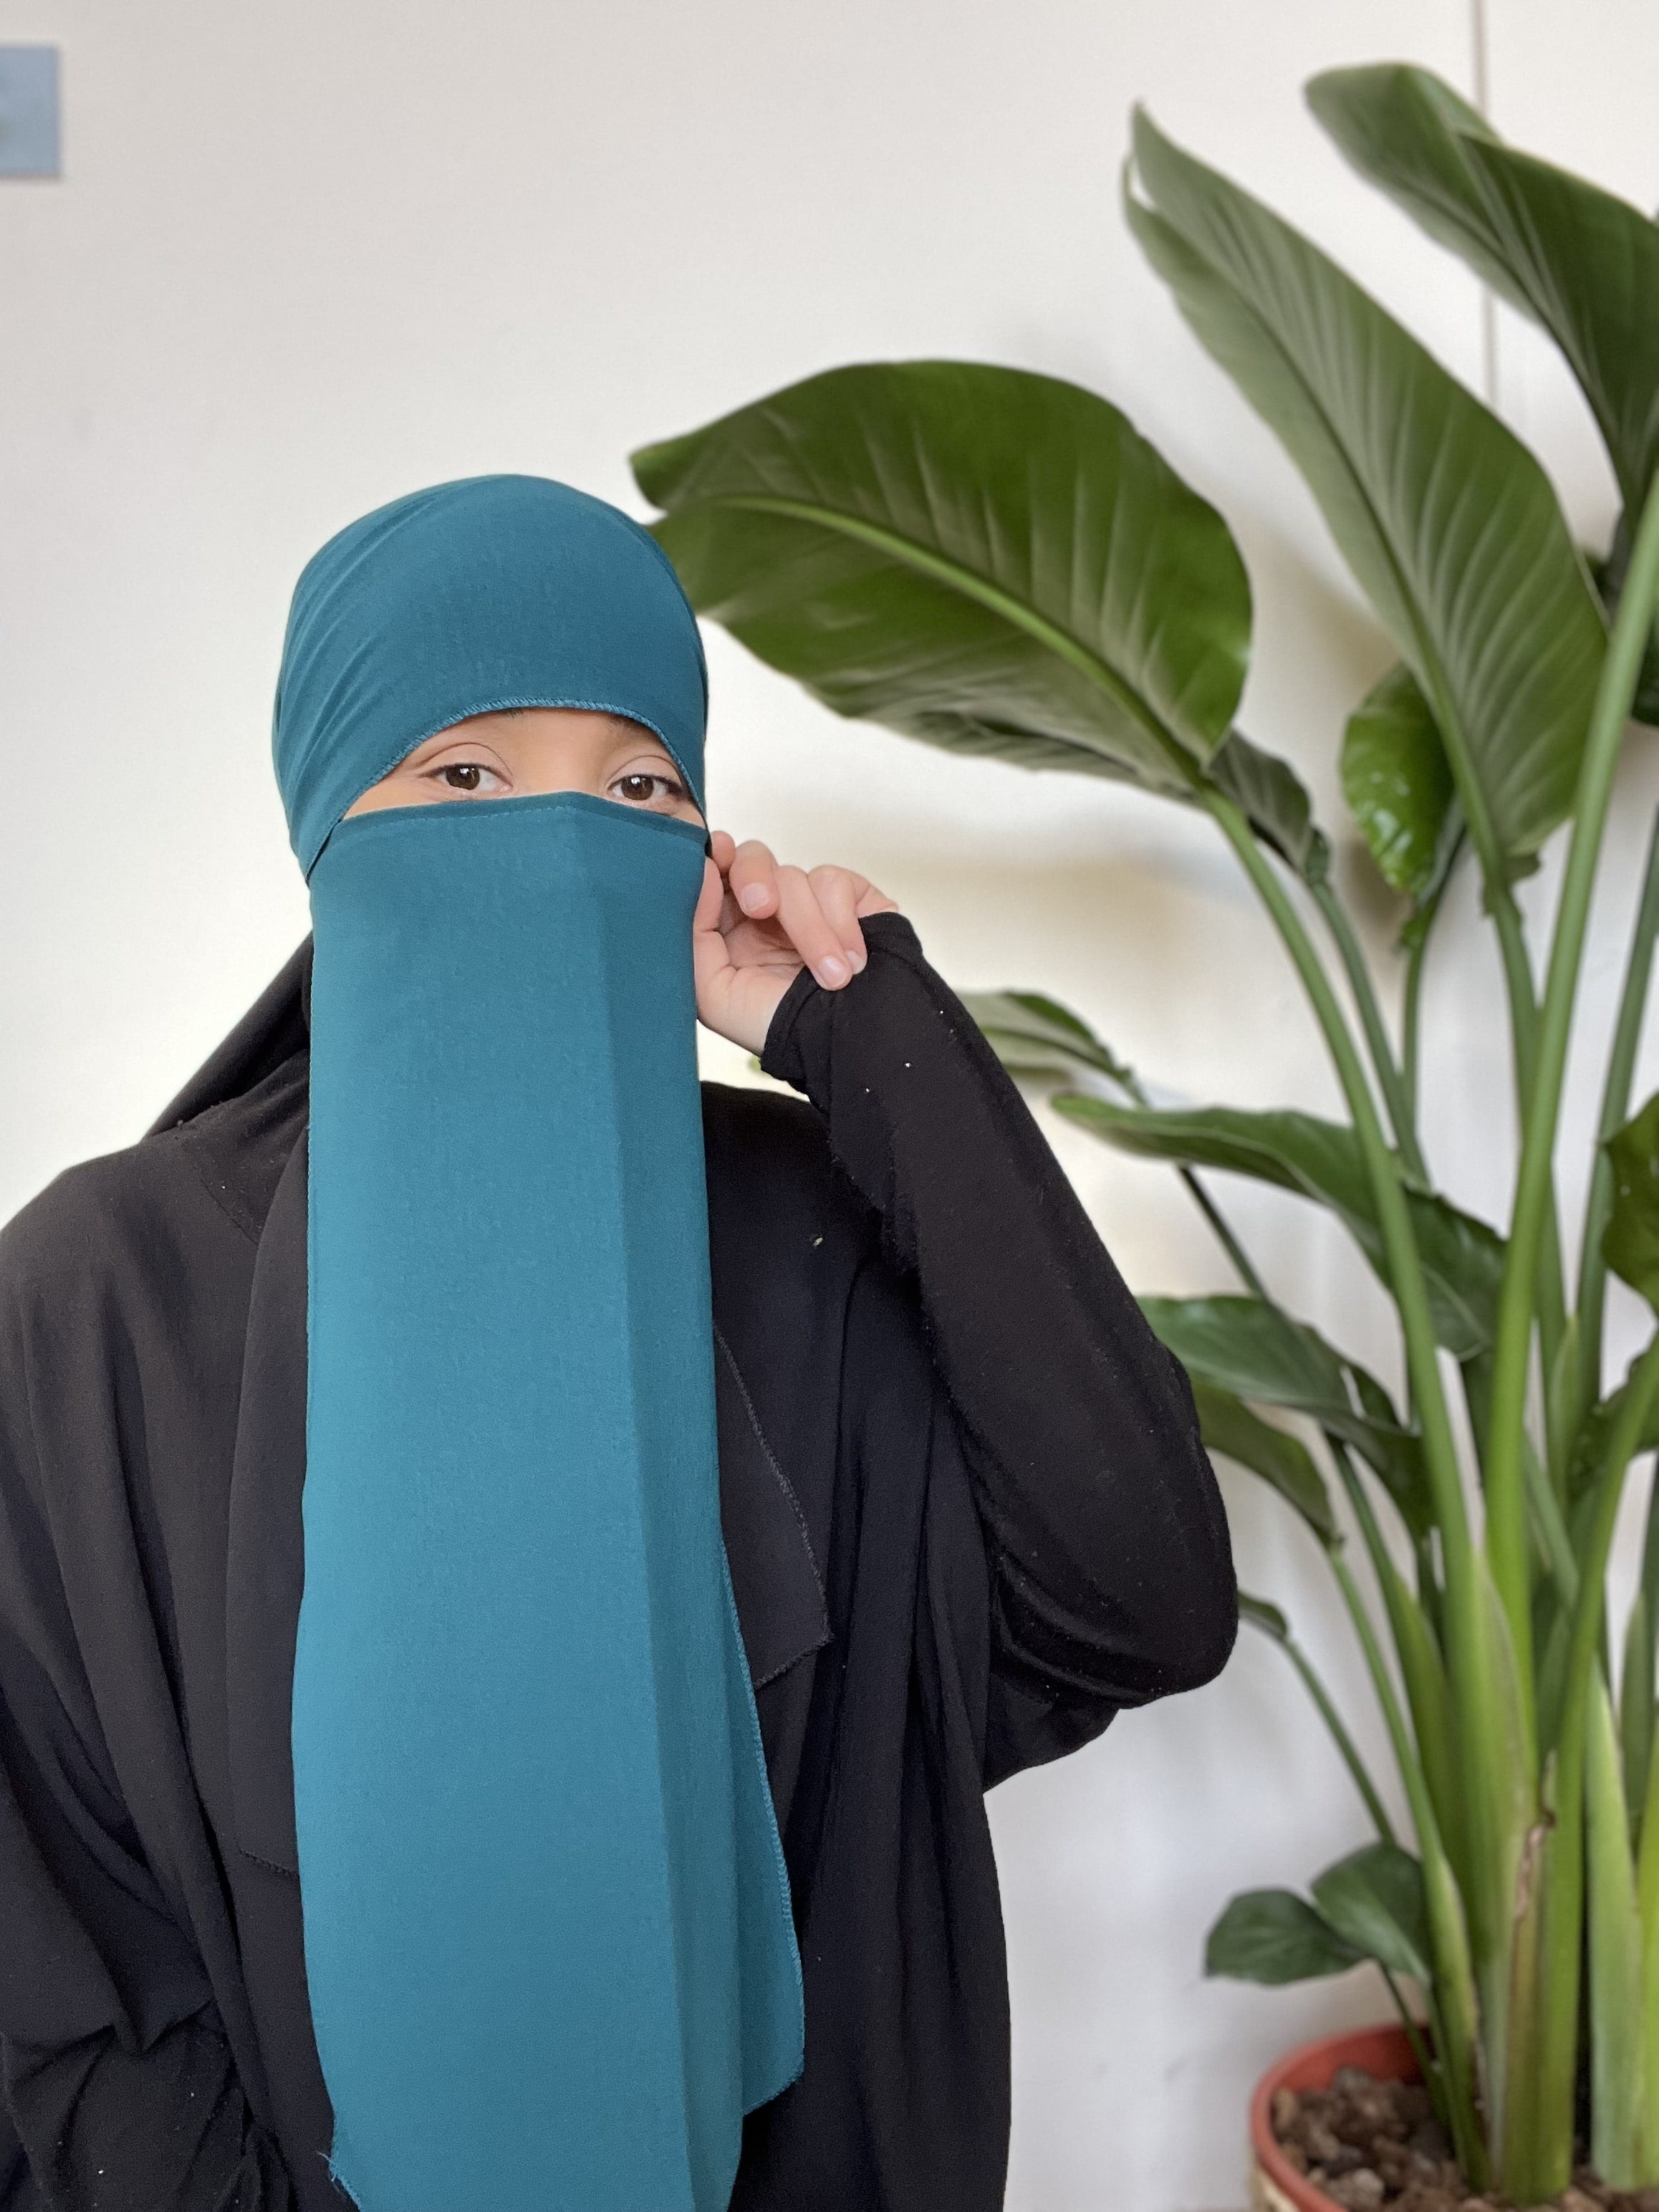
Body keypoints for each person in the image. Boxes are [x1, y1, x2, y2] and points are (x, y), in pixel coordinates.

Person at [0, 475, 1236, 2212]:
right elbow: (55, 1954)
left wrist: (888, 1053)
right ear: (330, 830)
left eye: (640, 784)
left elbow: (1146, 1600)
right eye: (464, 774)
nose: (558, 838)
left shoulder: (805, 1249)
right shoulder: (101, 1297)